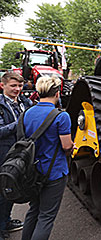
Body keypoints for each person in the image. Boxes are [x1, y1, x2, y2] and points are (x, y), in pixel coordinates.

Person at [21, 76, 73, 240]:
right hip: (54, 172)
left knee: (34, 210)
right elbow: (66, 146)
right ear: (57, 93)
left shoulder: (26, 114)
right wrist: (73, 145)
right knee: (46, 217)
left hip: (32, 172)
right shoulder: (61, 116)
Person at [0, 72, 33, 240]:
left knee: (12, 188)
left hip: (20, 153)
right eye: (13, 86)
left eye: (20, 86)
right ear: (2, 86)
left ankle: (5, 221)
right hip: (4, 154)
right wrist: (20, 121)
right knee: (2, 190)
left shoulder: (24, 102)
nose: (17, 89)